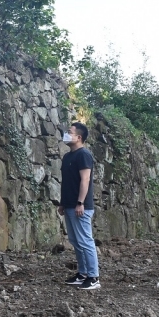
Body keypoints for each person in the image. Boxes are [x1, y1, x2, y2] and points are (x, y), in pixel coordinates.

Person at [58, 122, 100, 290]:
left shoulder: (84, 155)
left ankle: (93, 277)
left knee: (85, 240)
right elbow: (68, 182)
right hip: (69, 204)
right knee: (75, 240)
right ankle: (82, 274)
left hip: (80, 206)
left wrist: (80, 202)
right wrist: (63, 202)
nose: (66, 134)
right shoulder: (68, 157)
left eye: (70, 132)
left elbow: (85, 180)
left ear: (79, 137)